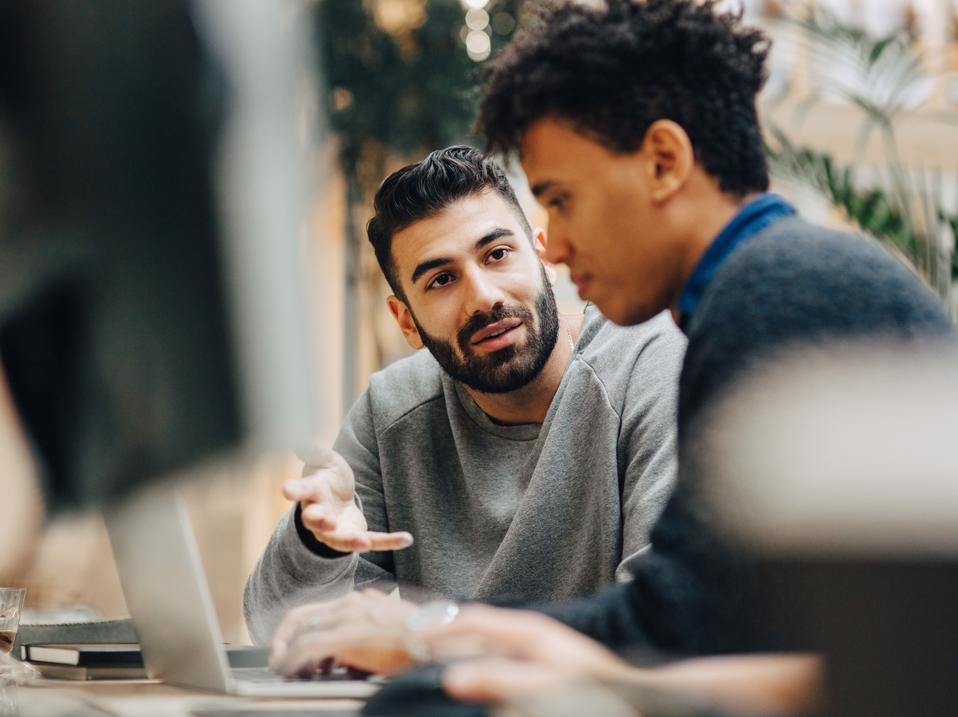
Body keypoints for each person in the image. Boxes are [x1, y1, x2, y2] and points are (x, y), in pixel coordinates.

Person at [270, 1, 954, 713]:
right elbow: (710, 624)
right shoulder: (769, 281)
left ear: (663, 162)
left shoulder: (773, 294)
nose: (555, 247)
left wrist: (430, 631)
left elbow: (674, 627)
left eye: (561, 201)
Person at [245, 146, 685, 644]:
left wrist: (429, 638)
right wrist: (316, 544)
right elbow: (274, 631)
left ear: (541, 257)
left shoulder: (650, 367)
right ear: (406, 320)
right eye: (441, 279)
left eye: (497, 254)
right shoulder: (392, 410)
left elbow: (664, 625)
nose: (484, 297)